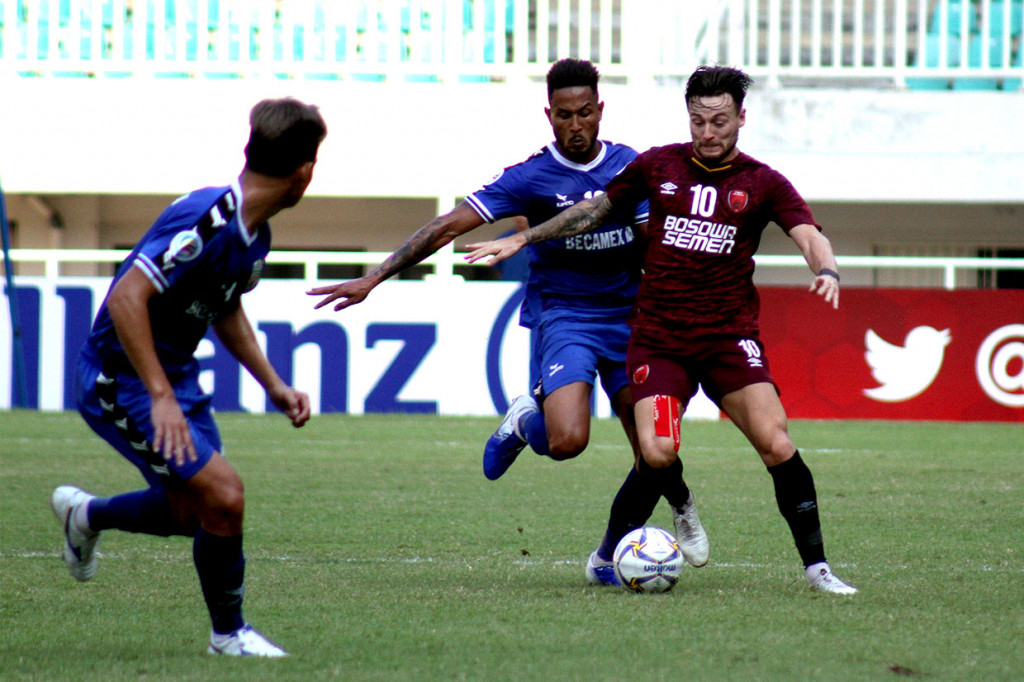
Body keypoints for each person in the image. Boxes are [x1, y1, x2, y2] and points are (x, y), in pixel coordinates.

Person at [308, 58, 709, 585]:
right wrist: (375, 276)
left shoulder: (629, 166)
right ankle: (526, 420)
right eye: (564, 115)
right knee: (567, 441)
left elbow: (658, 241)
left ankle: (607, 557)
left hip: (632, 320)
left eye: (585, 112)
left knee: (653, 455)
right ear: (549, 114)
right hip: (566, 316)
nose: (575, 125)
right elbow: (447, 225)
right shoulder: (530, 176)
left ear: (600, 110)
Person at [466, 65, 857, 595]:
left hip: (726, 338)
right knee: (656, 454)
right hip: (660, 339)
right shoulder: (657, 166)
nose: (708, 132)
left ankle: (818, 570)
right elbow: (594, 210)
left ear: (741, 118)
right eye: (698, 120)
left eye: (719, 121)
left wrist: (826, 269)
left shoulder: (763, 182)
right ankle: (626, 544)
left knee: (777, 441)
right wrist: (524, 238)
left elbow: (808, 232)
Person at [51, 97, 327, 656]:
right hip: (121, 380)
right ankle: (229, 634)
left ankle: (87, 514)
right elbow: (129, 295)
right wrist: (159, 396)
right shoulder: (209, 218)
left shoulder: (255, 235)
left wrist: (273, 383)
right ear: (304, 172)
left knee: (194, 514)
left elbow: (226, 310)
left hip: (174, 380)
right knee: (225, 497)